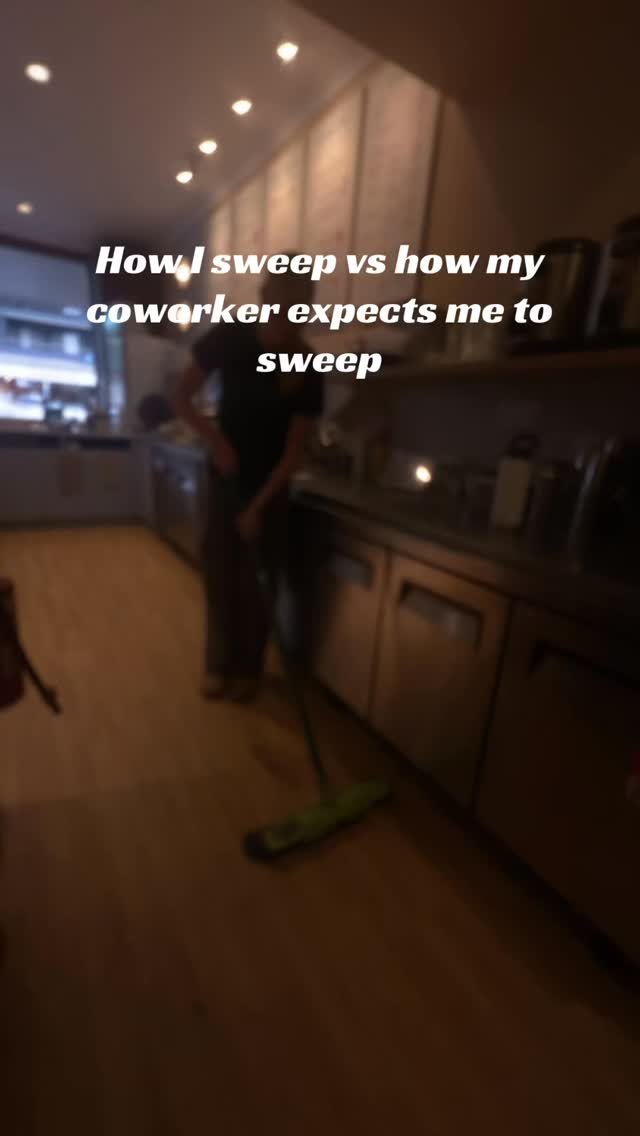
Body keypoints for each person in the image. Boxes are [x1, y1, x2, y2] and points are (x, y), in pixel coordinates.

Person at [174, 262, 324, 702]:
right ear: (264, 300)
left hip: (271, 490)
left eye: (295, 316)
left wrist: (258, 507)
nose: (283, 325)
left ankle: (248, 671)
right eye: (278, 312)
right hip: (226, 480)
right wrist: (217, 441)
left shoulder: (308, 367)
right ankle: (217, 665)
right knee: (221, 577)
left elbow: (294, 453)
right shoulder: (230, 337)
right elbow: (180, 397)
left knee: (259, 584)